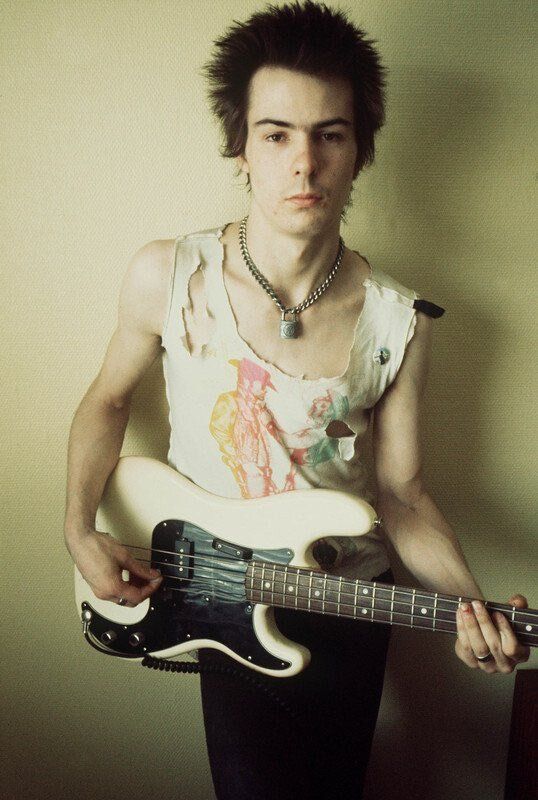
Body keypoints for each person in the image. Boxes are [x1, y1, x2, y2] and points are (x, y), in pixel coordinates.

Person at [64, 2, 529, 798]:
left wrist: (469, 608)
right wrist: (78, 530)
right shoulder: (169, 276)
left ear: (360, 152)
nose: (303, 165)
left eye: (330, 135)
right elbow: (107, 403)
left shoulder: (401, 322)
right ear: (239, 147)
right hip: (211, 587)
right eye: (276, 134)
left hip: (349, 598)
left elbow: (403, 496)